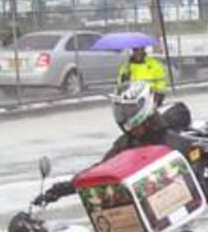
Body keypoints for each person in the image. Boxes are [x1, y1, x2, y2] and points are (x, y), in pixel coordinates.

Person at [35, 81, 190, 206]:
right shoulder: (126, 143)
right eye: (121, 111)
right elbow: (102, 169)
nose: (124, 115)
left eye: (128, 110)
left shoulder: (168, 134)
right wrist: (62, 189)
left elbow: (187, 159)